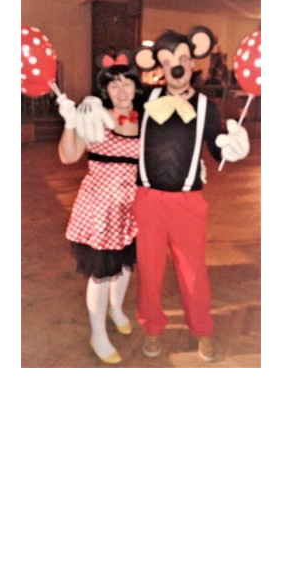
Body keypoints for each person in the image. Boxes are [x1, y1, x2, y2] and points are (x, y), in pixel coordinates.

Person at [132, 27, 249, 362]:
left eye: (183, 58)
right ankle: (152, 327)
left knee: (193, 272)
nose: (177, 67)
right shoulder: (144, 100)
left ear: (193, 62)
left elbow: (214, 145)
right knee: (149, 271)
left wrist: (230, 147)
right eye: (169, 61)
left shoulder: (206, 107)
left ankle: (202, 329)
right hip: (147, 200)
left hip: (187, 203)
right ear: (160, 66)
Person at [55, 53, 142, 365]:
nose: (121, 90)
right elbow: (68, 156)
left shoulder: (146, 120)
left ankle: (116, 309)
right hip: (100, 209)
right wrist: (70, 123)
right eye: (113, 84)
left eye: (126, 83)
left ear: (135, 87)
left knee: (125, 265)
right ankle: (98, 333)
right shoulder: (94, 117)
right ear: (105, 89)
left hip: (133, 207)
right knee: (102, 273)